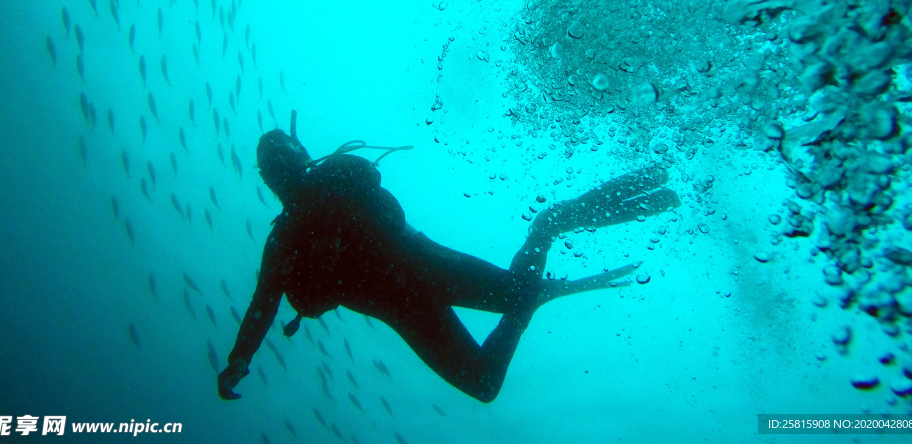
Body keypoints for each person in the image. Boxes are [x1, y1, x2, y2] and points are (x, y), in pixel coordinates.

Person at [217, 125, 679, 403]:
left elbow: (373, 189)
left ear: (297, 159)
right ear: (269, 177)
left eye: (280, 160)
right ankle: (531, 291)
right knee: (484, 385)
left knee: (515, 303)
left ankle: (548, 226)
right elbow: (263, 304)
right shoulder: (282, 240)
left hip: (426, 267)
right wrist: (240, 358)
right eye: (269, 167)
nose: (277, 172)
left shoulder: (335, 181)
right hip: (406, 310)